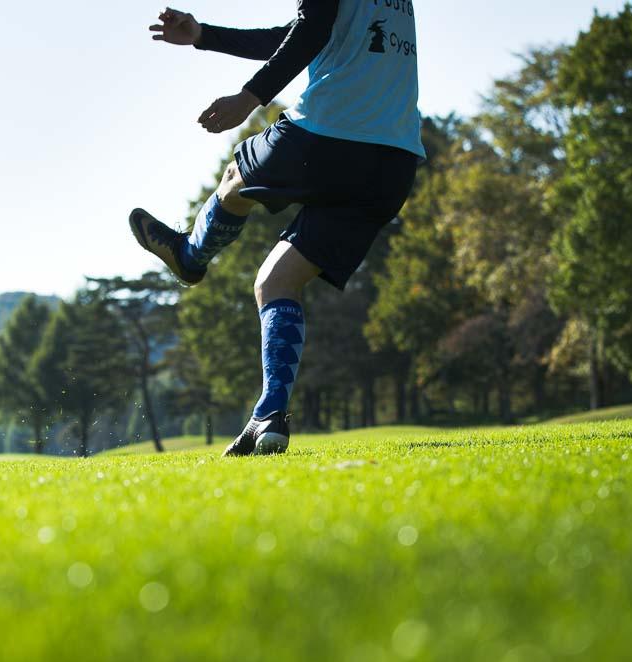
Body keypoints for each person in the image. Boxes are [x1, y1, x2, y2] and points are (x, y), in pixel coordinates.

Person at [129, 3, 425, 456]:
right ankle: (269, 417)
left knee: (235, 180)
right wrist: (205, 34)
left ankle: (190, 257)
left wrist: (249, 98)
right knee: (276, 282)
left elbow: (309, 30)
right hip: (393, 163)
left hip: (328, 136)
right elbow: (300, 34)